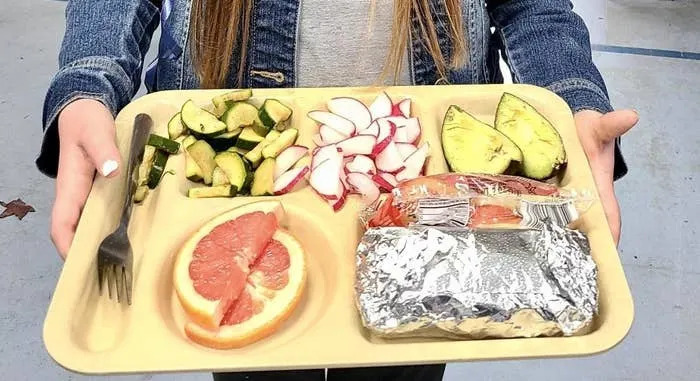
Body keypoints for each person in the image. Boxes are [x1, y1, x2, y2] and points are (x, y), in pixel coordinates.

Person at [38, 0, 638, 380]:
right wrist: (88, 81)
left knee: (399, 365)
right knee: (254, 359)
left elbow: (536, 8)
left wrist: (573, 98)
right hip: (245, 185)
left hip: (422, 195)